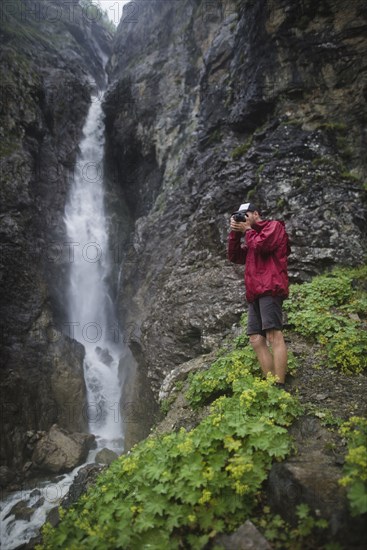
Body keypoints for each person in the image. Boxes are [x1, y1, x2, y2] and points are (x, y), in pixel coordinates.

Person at [227, 202, 290, 389]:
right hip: (254, 293)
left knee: (273, 335)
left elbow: (263, 246)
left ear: (256, 214)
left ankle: (280, 384)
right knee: (255, 339)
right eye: (239, 215)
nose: (242, 218)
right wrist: (234, 233)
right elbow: (234, 256)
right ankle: (270, 384)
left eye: (245, 214)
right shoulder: (251, 235)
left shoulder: (274, 227)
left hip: (270, 288)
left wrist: (247, 230)